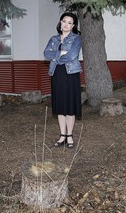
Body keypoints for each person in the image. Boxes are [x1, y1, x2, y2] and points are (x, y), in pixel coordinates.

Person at [43, 12, 82, 148]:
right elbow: (46, 54)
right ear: (60, 22)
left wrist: (56, 57)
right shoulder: (53, 39)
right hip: (57, 73)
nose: (66, 24)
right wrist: (61, 53)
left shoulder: (77, 38)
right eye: (64, 21)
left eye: (69, 22)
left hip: (70, 73)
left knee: (70, 105)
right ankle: (62, 135)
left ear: (73, 26)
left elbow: (72, 56)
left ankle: (69, 136)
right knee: (60, 106)